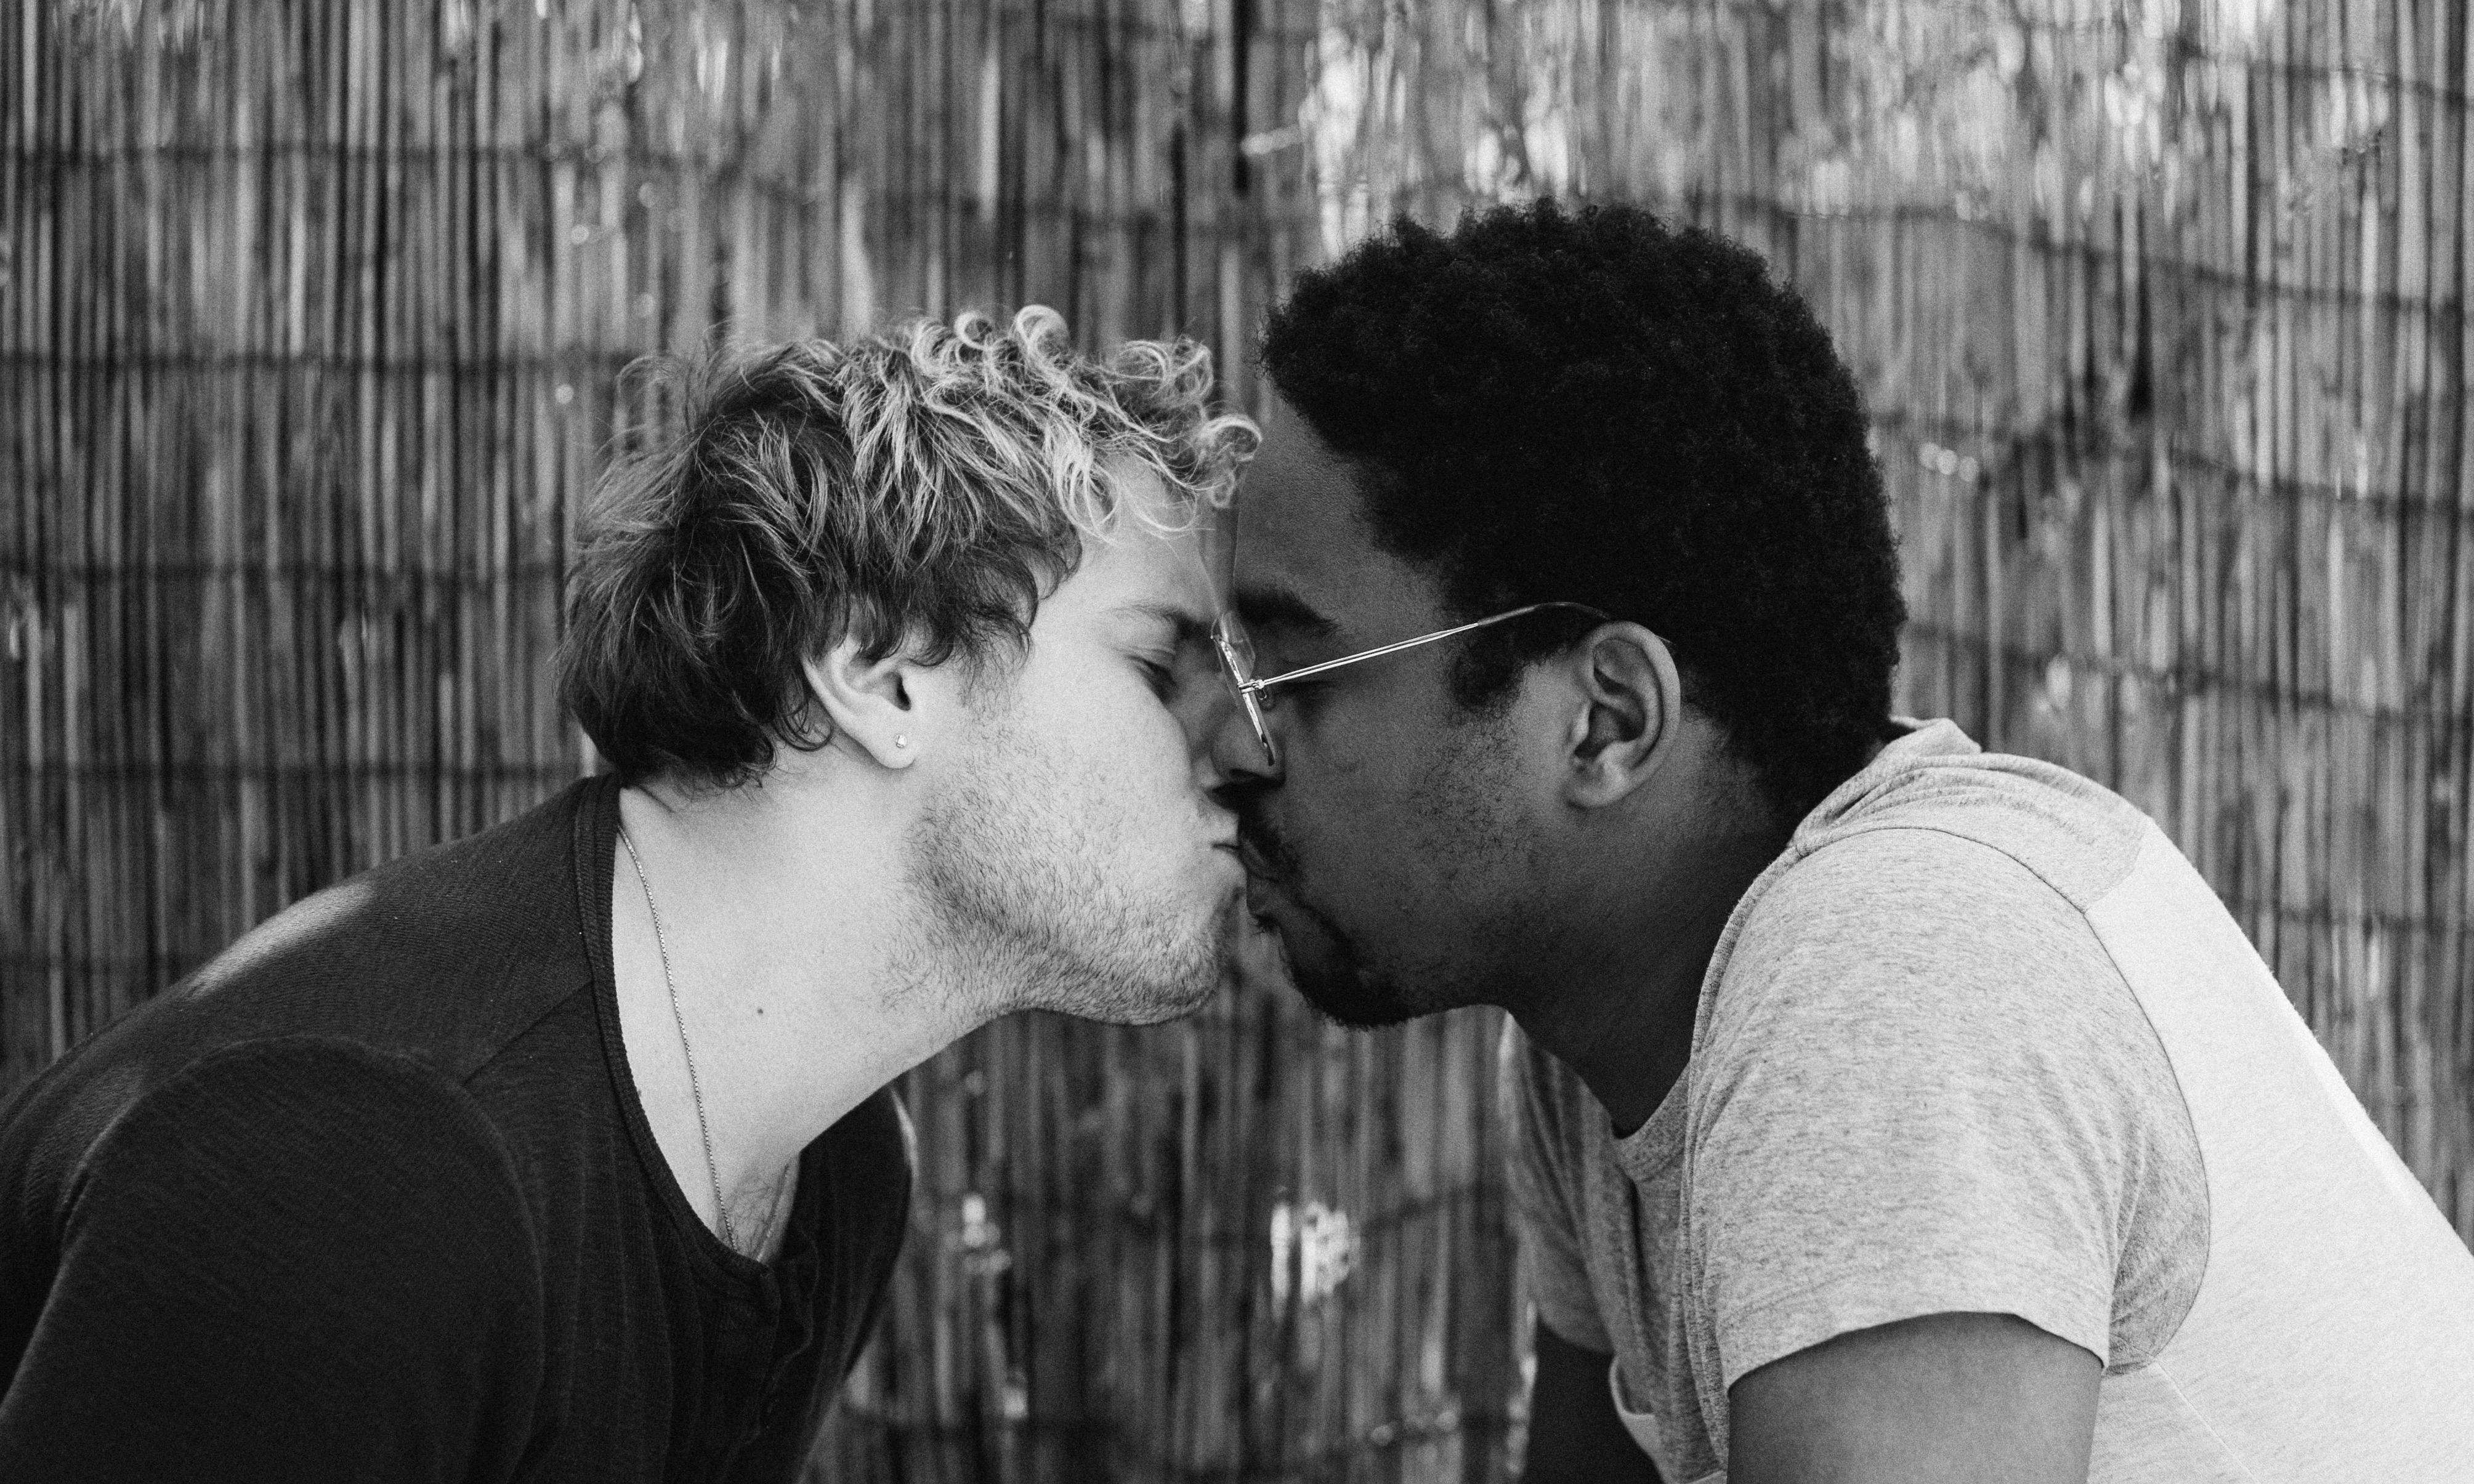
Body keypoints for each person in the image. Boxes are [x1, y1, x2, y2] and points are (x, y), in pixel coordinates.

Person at [1208, 200, 2474, 1483]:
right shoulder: (1587, 1050)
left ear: (1604, 721)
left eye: (1288, 677)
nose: (1219, 744)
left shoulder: (1896, 966)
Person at [0, 307, 1256, 1482]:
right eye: (1159, 664)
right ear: (876, 668)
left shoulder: (834, 1171)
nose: (1247, 750)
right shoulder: (352, 1180)